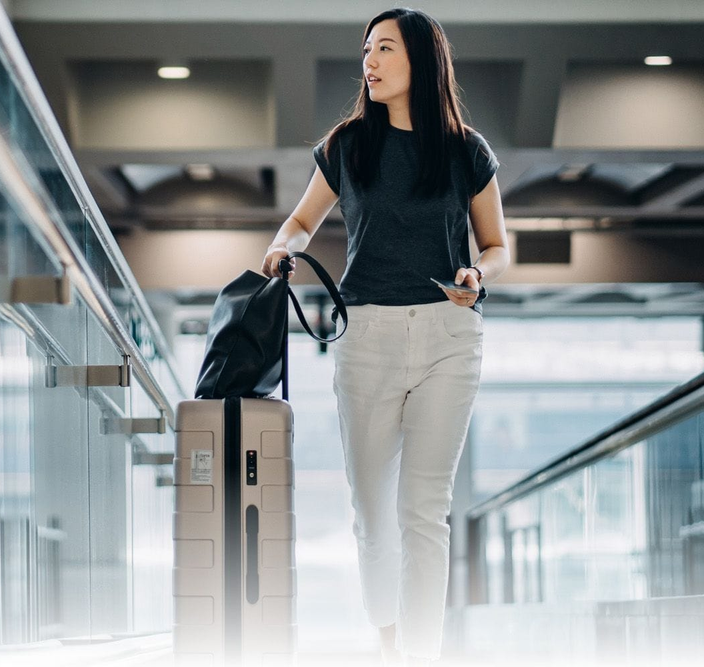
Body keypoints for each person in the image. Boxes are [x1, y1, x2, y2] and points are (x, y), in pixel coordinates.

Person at [259, 8, 508, 665]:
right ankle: (390, 638)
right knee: (373, 513)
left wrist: (478, 274)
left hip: (448, 334)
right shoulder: (349, 144)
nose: (369, 62)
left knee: (423, 511)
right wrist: (284, 246)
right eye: (367, 49)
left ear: (422, 60)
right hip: (366, 333)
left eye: (386, 49)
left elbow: (497, 246)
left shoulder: (466, 150)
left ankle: (419, 654)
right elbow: (302, 222)